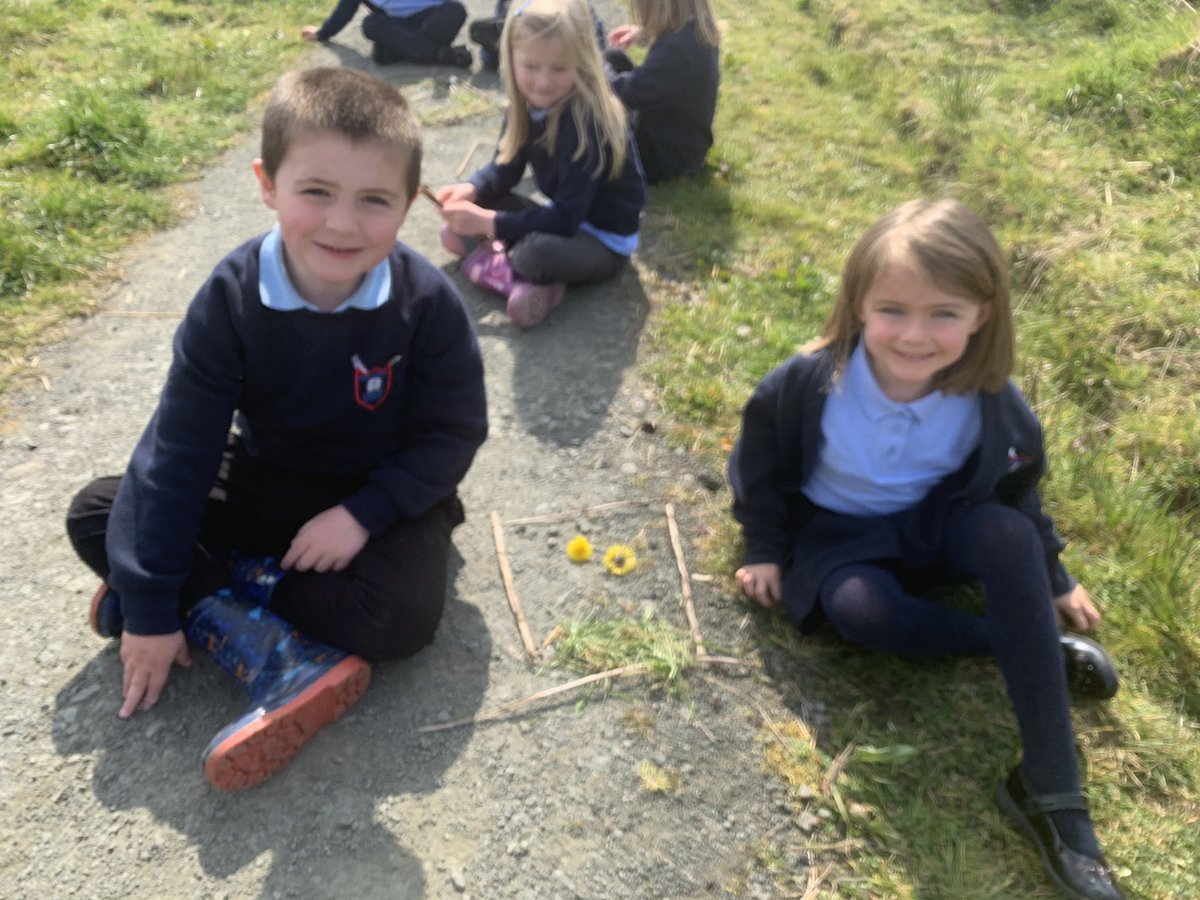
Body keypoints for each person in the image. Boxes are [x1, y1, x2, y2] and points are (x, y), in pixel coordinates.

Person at [65, 67, 488, 791]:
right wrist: (151, 610)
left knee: (403, 618)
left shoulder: (426, 302)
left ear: (409, 201)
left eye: (374, 200)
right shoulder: (230, 299)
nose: (342, 224)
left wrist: (364, 513)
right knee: (98, 512)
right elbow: (178, 452)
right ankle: (255, 634)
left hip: (377, 491)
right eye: (316, 191)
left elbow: (454, 431)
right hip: (270, 476)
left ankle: (210, 586)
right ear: (267, 185)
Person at [728, 200, 1124, 900]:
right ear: (858, 303)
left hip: (937, 524)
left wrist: (1055, 576)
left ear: (982, 315)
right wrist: (763, 545)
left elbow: (1019, 491)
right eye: (893, 310)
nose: (915, 335)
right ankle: (1023, 644)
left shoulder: (992, 398)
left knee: (1007, 536)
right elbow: (757, 465)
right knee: (861, 612)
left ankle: (1052, 789)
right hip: (841, 537)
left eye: (944, 313)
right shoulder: (810, 381)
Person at [435, 0, 646, 329]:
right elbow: (504, 170)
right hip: (563, 218)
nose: (543, 81)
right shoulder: (525, 103)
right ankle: (516, 275)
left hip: (603, 240)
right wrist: (472, 189)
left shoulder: (587, 122)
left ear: (582, 62)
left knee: (532, 255)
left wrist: (487, 222)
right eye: (531, 67)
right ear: (512, 58)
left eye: (559, 69)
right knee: (478, 209)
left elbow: (564, 219)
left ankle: (522, 272)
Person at [603, 0, 720, 184]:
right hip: (681, 140)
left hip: (665, 159)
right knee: (614, 58)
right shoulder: (693, 33)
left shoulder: (679, 50)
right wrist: (642, 33)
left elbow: (628, 92)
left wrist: (598, 72)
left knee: (595, 121)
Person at [301, 0, 473, 69]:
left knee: (456, 10)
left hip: (433, 18)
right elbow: (345, 9)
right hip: (398, 26)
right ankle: (441, 55)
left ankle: (402, 50)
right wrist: (323, 33)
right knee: (371, 24)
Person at [469, 0, 605, 72]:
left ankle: (502, 51)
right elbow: (503, 15)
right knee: (482, 31)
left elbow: (594, 35)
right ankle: (501, 50)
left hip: (561, 39)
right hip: (521, 35)